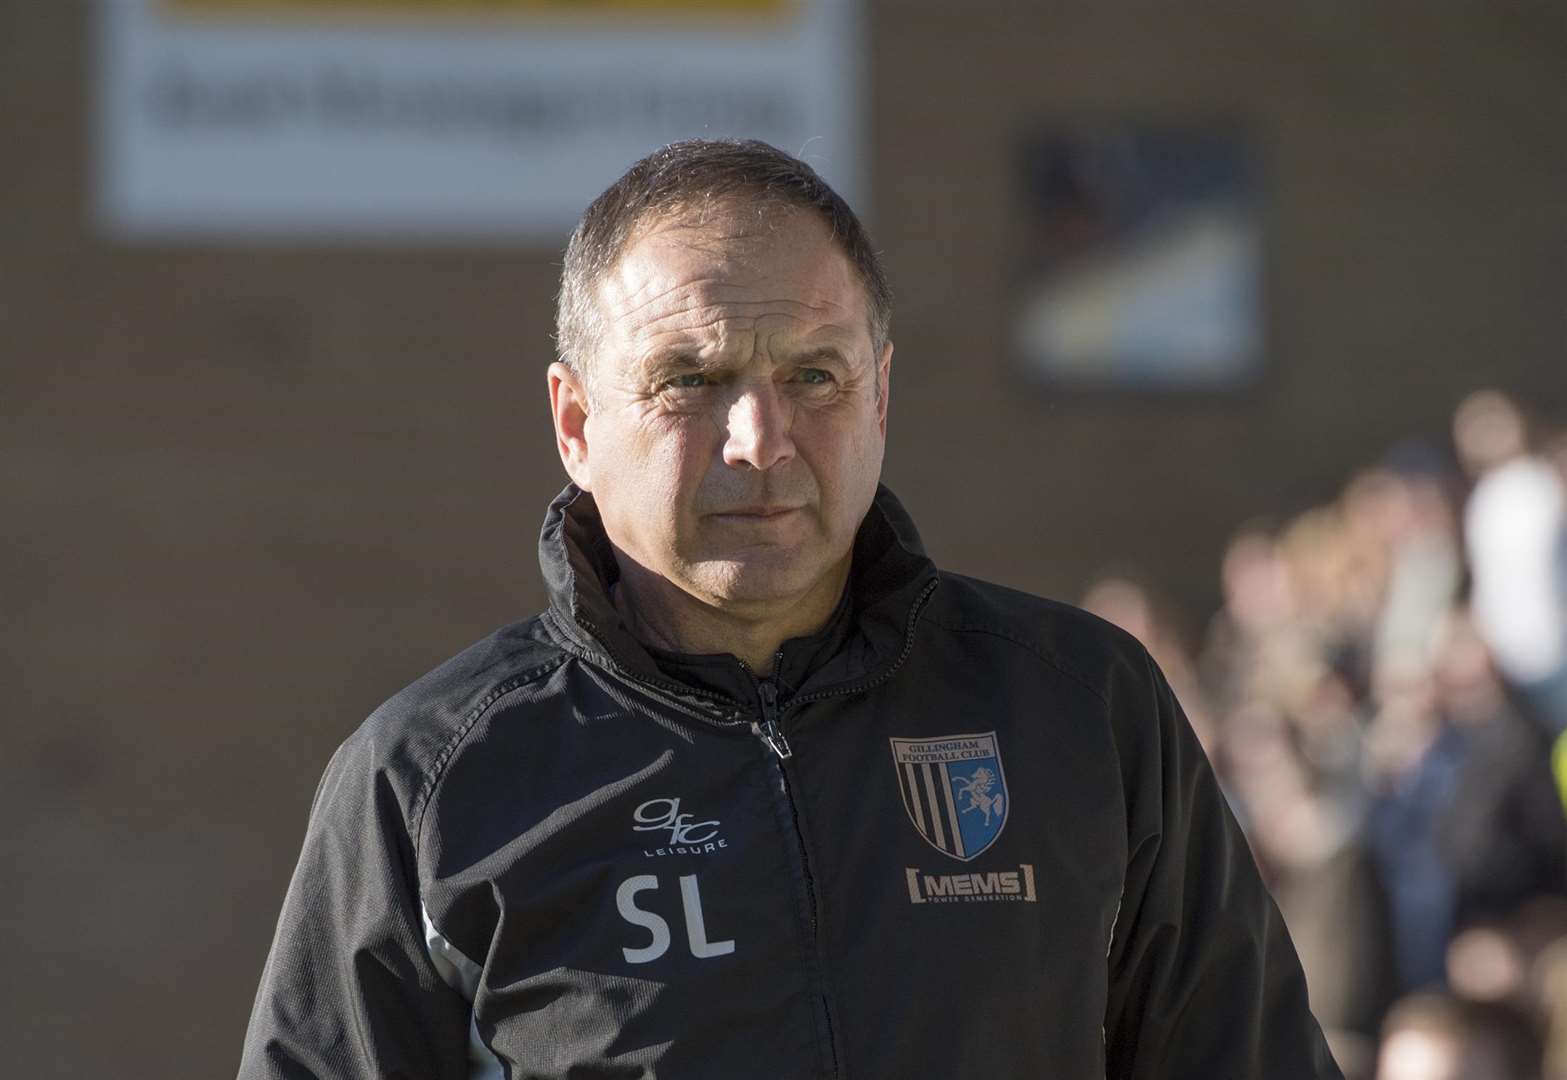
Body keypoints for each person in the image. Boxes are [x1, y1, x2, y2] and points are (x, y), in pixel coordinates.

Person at [239, 139, 1341, 1079]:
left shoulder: (1082, 710)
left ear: (881, 398)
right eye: (689, 379)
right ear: (576, 424)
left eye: (814, 376)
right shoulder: (429, 785)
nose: (759, 441)